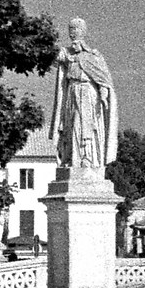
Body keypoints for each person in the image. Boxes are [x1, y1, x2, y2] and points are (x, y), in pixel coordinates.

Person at [49, 17, 117, 173]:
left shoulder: (93, 56)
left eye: (76, 29)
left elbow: (103, 79)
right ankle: (70, 156)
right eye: (71, 29)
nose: (73, 32)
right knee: (69, 124)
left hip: (86, 93)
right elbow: (56, 57)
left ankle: (87, 157)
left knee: (84, 125)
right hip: (72, 91)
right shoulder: (67, 53)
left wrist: (104, 94)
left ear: (83, 31)